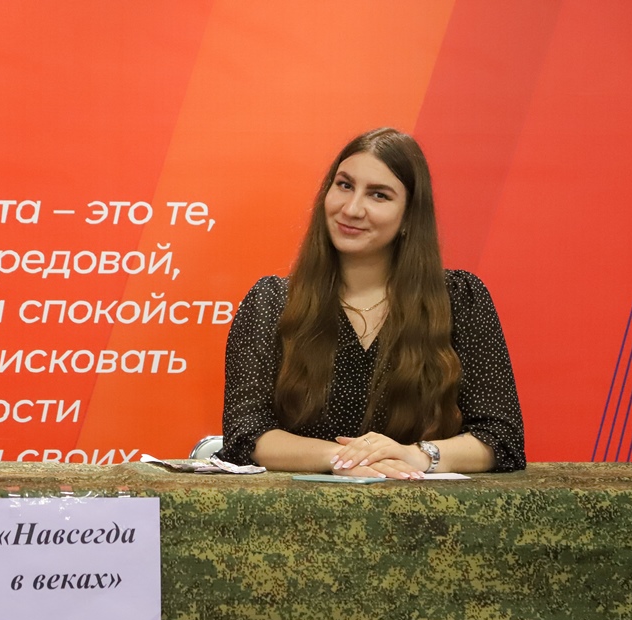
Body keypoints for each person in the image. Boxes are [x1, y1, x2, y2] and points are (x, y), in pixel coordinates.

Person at [218, 128, 525, 478]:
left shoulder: (460, 299)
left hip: (423, 505)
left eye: (378, 195)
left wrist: (415, 456)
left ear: (409, 216)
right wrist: (345, 459)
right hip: (300, 507)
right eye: (344, 185)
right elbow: (246, 434)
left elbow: (501, 438)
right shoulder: (271, 301)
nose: (351, 209)